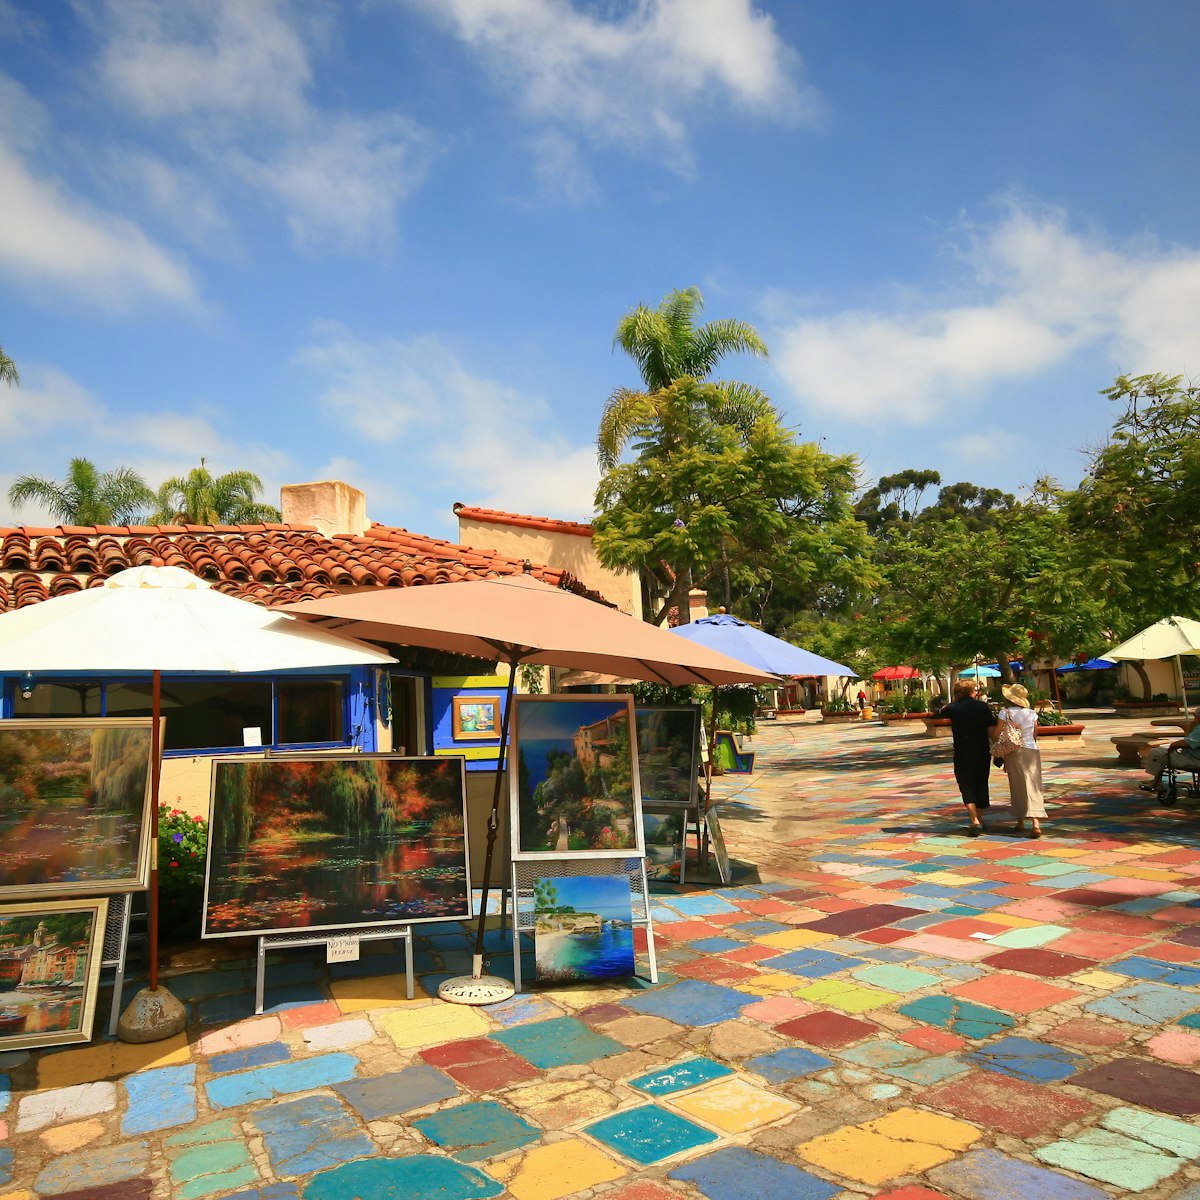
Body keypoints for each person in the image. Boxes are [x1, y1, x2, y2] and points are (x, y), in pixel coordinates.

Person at [939, 679, 998, 835]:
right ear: (973, 692)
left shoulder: (953, 707)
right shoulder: (982, 707)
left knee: (966, 784)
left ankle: (974, 820)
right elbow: (992, 730)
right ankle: (980, 817)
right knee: (981, 783)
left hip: (962, 751)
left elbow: (936, 714)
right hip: (981, 751)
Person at [995, 683, 1046, 838]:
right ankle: (1036, 821)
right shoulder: (1031, 714)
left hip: (1013, 751)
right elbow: (1035, 733)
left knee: (1017, 784)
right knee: (1033, 784)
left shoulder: (1005, 713)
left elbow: (997, 733)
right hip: (1032, 750)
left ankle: (1020, 821)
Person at [1142, 714, 1200, 792]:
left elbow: (1186, 743)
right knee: (1161, 752)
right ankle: (1156, 781)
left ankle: (1157, 783)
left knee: (1155, 753)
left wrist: (1174, 745)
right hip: (1193, 756)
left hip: (1193, 759)